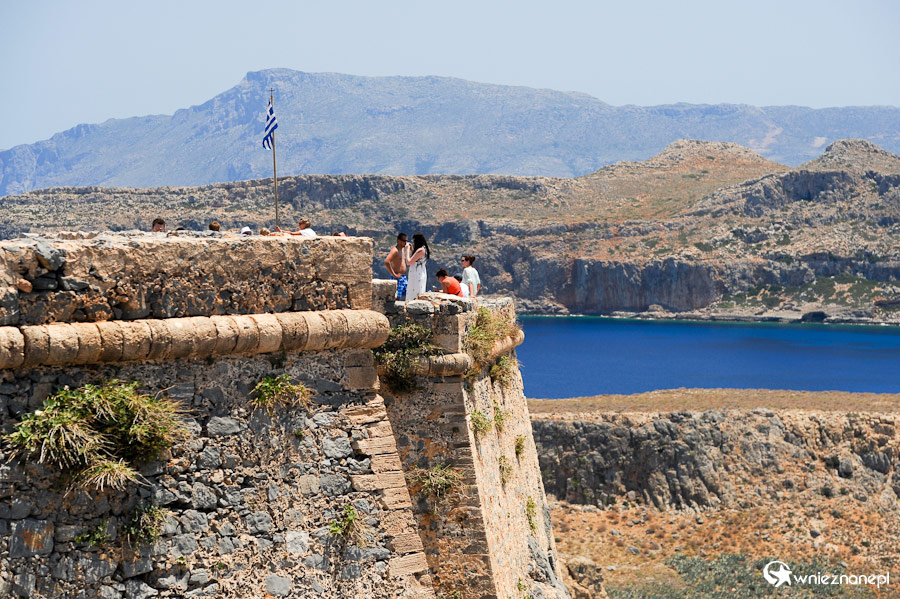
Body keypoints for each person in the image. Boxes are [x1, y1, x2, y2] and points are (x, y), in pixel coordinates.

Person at [404, 232, 429, 301]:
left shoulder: (420, 250)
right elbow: (416, 259)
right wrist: (412, 250)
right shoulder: (424, 249)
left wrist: (407, 251)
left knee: (414, 292)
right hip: (420, 272)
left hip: (416, 274)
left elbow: (409, 262)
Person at [384, 233, 409, 300]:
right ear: (399, 241)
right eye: (404, 241)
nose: (405, 243)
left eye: (406, 241)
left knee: (407, 294)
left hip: (403, 277)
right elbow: (387, 262)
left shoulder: (403, 250)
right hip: (397, 277)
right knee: (396, 297)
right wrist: (394, 274)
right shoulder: (395, 250)